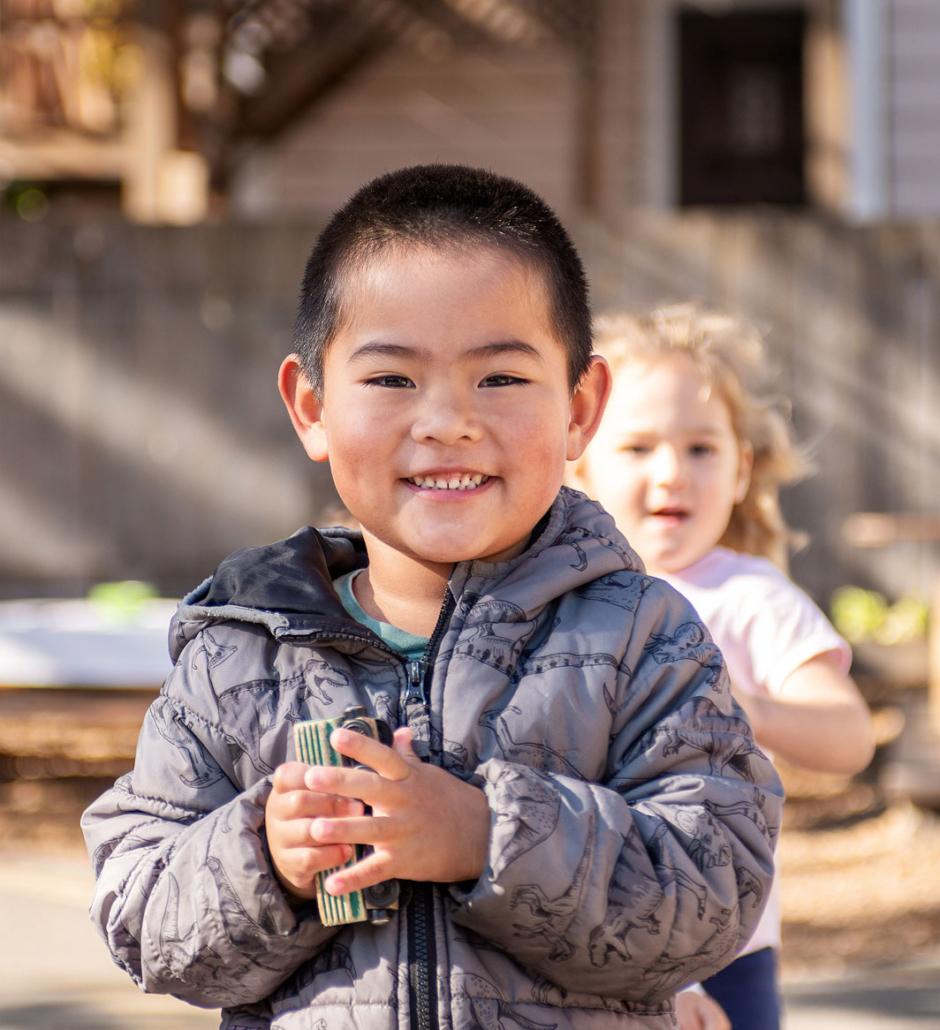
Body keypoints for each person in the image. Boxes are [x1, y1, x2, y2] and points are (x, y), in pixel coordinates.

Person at [81, 167, 783, 1030]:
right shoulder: (241, 655)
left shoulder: (641, 636)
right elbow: (137, 913)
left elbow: (717, 890)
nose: (447, 420)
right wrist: (267, 856)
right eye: (390, 379)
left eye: (499, 379)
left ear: (579, 407)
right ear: (311, 407)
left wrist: (489, 836)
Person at [572, 305, 874, 1030]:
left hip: (726, 947)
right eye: (639, 447)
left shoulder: (750, 597)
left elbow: (848, 738)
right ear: (577, 464)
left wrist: (746, 706)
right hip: (582, 934)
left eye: (701, 448)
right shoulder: (558, 597)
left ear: (742, 469)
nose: (672, 472)